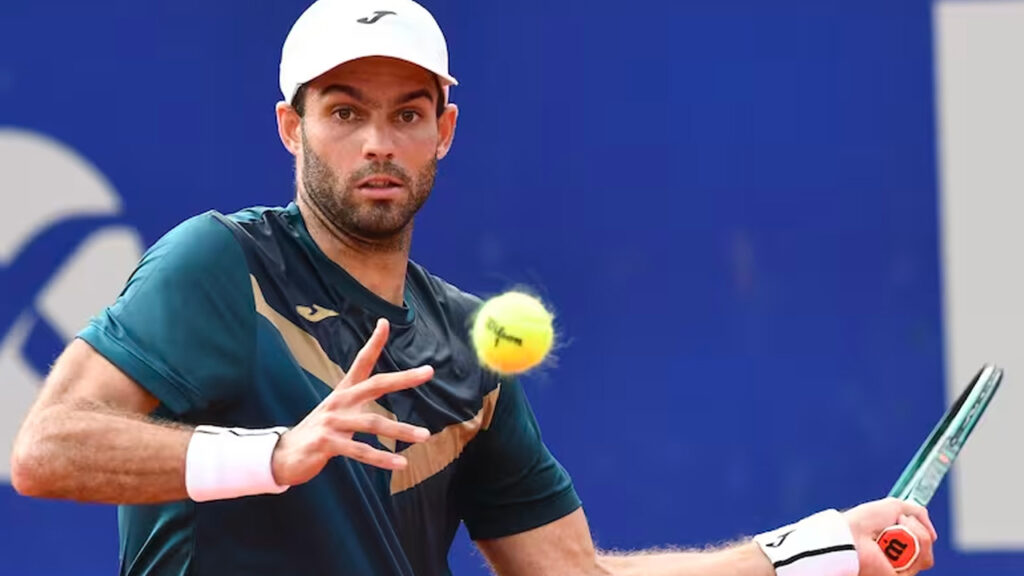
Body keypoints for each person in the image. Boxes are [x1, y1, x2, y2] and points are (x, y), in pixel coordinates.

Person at [10, 0, 938, 575]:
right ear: (292, 128)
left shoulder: (466, 347)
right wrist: (277, 453)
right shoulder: (217, 264)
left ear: (443, 131)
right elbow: (46, 451)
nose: (379, 143)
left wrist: (803, 553)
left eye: (407, 114)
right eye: (344, 113)